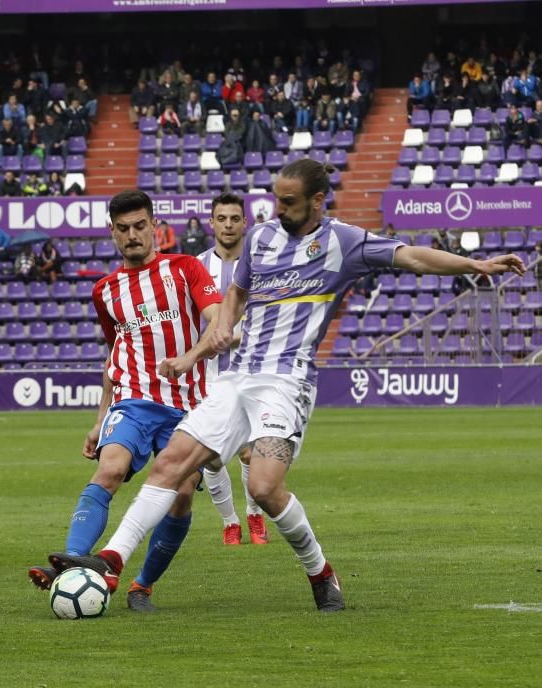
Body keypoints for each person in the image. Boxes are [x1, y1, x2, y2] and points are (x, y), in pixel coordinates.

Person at [43, 160, 525, 613]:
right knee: (172, 465)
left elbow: (412, 257)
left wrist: (474, 265)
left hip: (287, 381)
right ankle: (110, 563)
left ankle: (320, 571)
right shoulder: (263, 237)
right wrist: (212, 338)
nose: (280, 209)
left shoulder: (345, 242)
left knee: (264, 486)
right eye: (276, 199)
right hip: (236, 377)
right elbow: (236, 290)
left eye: (289, 202)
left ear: (318, 201)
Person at [28, 190, 223, 614]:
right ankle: (71, 566)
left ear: (155, 227)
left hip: (188, 406)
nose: (132, 235)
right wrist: (100, 418)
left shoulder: (185, 268)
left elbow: (219, 323)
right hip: (133, 399)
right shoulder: (106, 290)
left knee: (183, 494)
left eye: (139, 226)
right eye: (123, 229)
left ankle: (141, 586)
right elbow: (116, 352)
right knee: (110, 468)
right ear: (112, 233)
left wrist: (191, 357)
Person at [197, 192, 269, 546]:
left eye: (233, 218)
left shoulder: (259, 267)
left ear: (245, 223)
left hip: (249, 373)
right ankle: (229, 521)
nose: (227, 224)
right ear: (211, 223)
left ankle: (255, 516)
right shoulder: (195, 267)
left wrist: (235, 337)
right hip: (207, 375)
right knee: (210, 457)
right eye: (221, 218)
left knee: (248, 451)